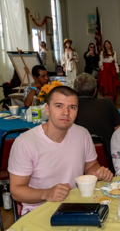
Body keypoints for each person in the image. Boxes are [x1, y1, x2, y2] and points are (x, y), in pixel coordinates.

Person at [9, 86, 114, 215]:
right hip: (39, 211)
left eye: (72, 107)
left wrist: (99, 173)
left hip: (76, 206)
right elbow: (16, 191)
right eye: (59, 106)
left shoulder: (82, 134)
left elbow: (91, 166)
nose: (66, 112)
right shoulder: (25, 142)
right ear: (47, 109)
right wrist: (47, 193)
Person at [73, 73, 120, 154]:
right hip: (106, 156)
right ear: (95, 91)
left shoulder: (69, 107)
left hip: (76, 155)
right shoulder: (107, 103)